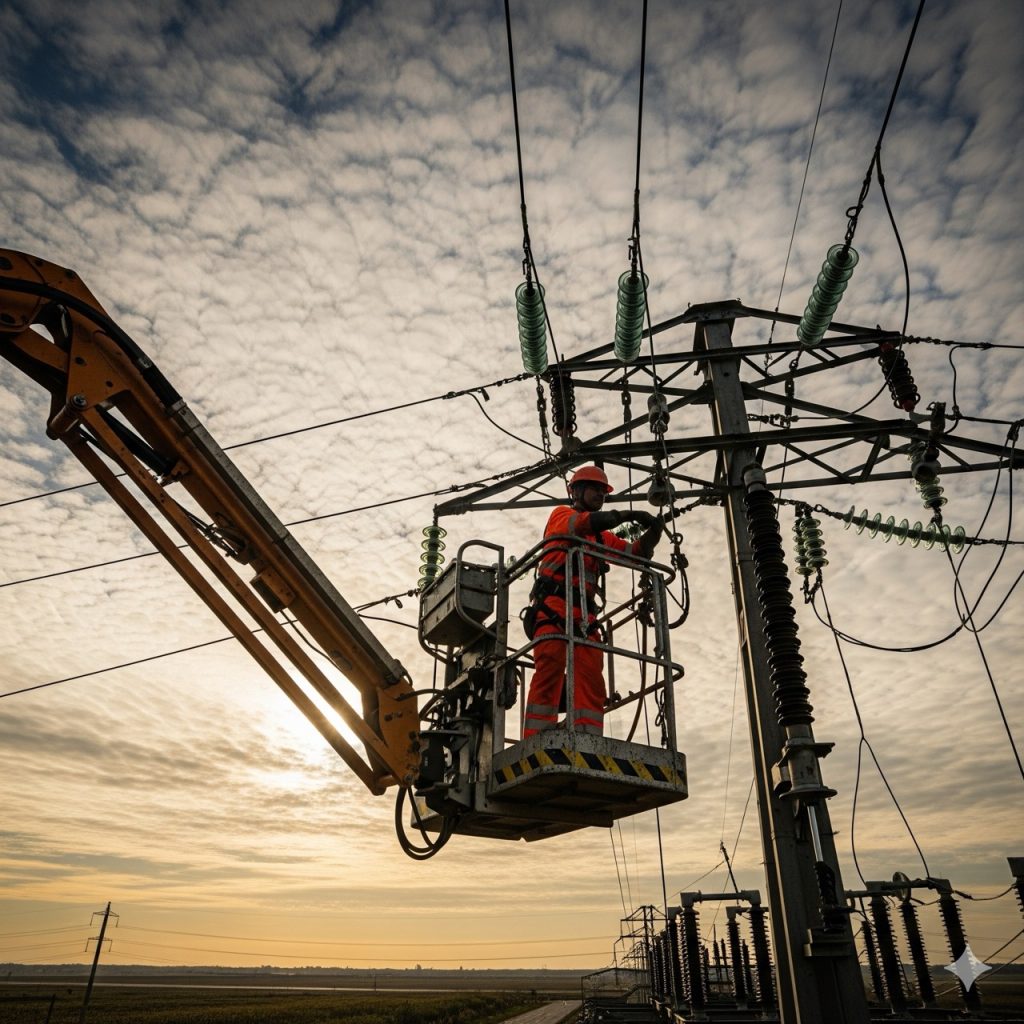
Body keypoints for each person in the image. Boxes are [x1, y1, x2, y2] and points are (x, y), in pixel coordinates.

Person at [523, 465, 664, 738]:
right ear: (576, 491)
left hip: (584, 618)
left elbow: (635, 553)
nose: (600, 494)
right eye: (595, 489)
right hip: (552, 607)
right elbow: (584, 523)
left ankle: (587, 737)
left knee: (590, 677)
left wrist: (654, 532)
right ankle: (535, 739)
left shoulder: (599, 538)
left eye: (603, 491)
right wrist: (628, 515)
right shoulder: (561, 516)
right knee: (549, 672)